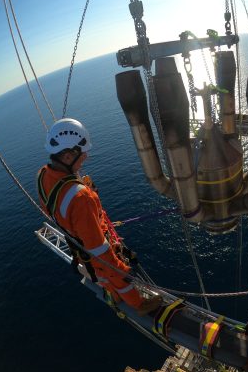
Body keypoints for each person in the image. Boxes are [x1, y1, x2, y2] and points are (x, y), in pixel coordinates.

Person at [37, 118, 162, 316]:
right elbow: (100, 251)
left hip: (77, 242)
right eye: (82, 153)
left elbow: (53, 205)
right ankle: (138, 305)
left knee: (103, 276)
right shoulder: (81, 198)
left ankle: (118, 293)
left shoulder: (44, 175)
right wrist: (122, 269)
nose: (85, 157)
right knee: (114, 278)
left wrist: (77, 188)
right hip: (93, 250)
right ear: (68, 156)